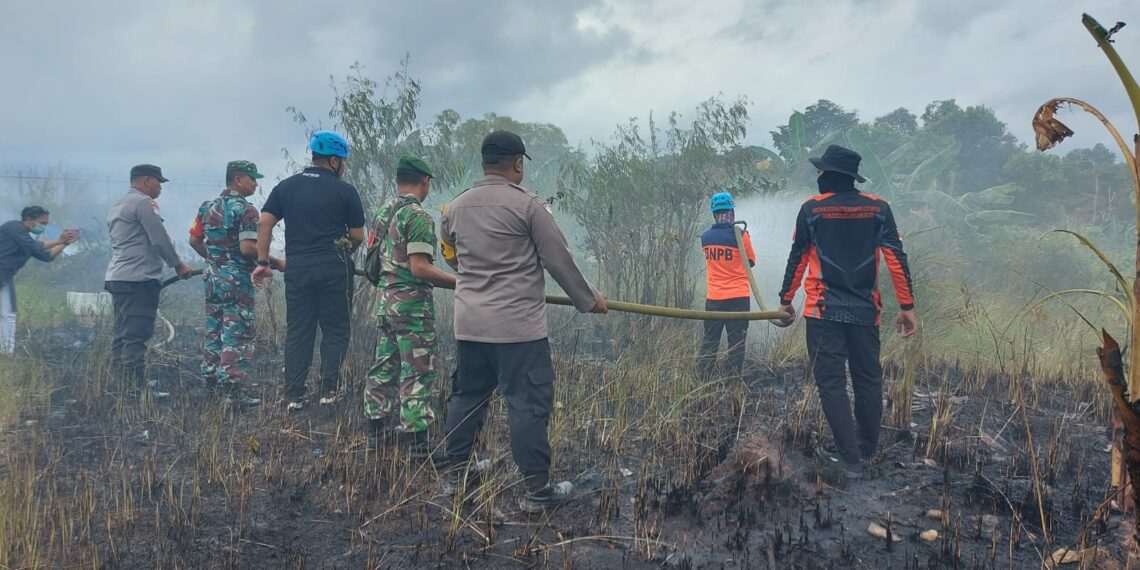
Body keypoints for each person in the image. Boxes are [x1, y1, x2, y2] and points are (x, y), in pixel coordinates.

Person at [437, 130, 607, 512]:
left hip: (470, 327)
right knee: (527, 404)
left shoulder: (455, 209)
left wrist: (471, 273)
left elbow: (450, 253)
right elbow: (558, 259)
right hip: (517, 331)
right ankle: (536, 492)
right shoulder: (529, 206)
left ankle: (455, 476)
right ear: (517, 164)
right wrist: (588, 300)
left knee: (467, 398)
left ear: (484, 163)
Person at [777, 144, 918, 478]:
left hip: (823, 312)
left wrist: (786, 300)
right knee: (868, 379)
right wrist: (907, 306)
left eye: (821, 172)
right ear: (851, 178)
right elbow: (897, 257)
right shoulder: (878, 208)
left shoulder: (811, 210)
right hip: (866, 312)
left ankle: (849, 456)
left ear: (829, 176)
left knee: (831, 383)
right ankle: (867, 448)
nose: (819, 177)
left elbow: (797, 257)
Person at [253, 131, 365, 411]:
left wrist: (263, 262)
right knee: (336, 330)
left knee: (299, 332)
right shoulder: (346, 191)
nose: (345, 166)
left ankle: (294, 396)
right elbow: (358, 236)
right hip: (334, 269)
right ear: (334, 160)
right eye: (344, 161)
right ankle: (328, 391)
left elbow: (264, 222)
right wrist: (341, 254)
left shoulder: (286, 187)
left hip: (298, 269)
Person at [363, 156, 456, 455]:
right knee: (418, 370)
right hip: (411, 309)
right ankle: (417, 444)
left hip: (385, 303)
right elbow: (419, 268)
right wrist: (462, 282)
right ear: (425, 181)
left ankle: (376, 432)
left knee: (385, 364)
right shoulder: (418, 216)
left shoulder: (383, 211)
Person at [189, 161, 282, 407]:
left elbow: (194, 240)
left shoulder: (206, 208)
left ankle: (210, 383)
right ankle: (230, 392)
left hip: (212, 279)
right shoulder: (247, 210)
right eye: (252, 178)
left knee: (214, 328)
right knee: (237, 332)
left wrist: (215, 261)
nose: (256, 183)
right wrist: (275, 262)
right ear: (238, 179)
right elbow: (248, 247)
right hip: (237, 281)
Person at [105, 164, 192, 393]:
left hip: (119, 276)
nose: (160, 188)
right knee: (137, 333)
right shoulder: (143, 203)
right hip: (139, 279)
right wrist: (178, 265)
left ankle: (120, 386)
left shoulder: (117, 205)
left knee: (122, 333)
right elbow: (159, 238)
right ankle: (135, 390)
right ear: (146, 181)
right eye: (158, 182)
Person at [0, 206, 80, 355]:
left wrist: (65, 243)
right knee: (7, 315)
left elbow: (47, 256)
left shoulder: (26, 237)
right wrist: (58, 240)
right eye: (42, 223)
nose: (43, 227)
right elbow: (35, 247)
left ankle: (6, 353)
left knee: (9, 315)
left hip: (5, 275)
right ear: (29, 219)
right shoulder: (13, 227)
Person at [698, 192, 756, 379]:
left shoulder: (705, 237)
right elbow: (751, 262)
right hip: (739, 298)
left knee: (710, 341)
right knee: (737, 342)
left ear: (714, 214)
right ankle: (732, 380)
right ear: (731, 212)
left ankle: (704, 378)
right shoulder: (742, 236)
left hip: (714, 298)